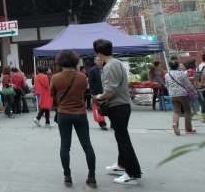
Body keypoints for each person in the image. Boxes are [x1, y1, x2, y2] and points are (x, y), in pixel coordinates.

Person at [94, 39, 141, 186]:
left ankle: (132, 173)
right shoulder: (116, 62)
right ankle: (122, 165)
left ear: (99, 53)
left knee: (123, 139)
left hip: (118, 106)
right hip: (122, 105)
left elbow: (110, 91)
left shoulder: (110, 66)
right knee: (121, 137)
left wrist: (98, 97)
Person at [51, 50, 97, 188]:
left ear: (60, 62)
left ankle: (67, 176)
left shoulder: (55, 78)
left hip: (63, 113)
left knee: (65, 146)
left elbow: (52, 94)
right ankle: (92, 177)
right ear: (75, 61)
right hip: (80, 113)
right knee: (87, 145)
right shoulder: (83, 77)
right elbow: (85, 91)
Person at [165, 60, 197, 135]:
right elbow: (188, 84)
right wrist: (193, 91)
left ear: (170, 66)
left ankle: (175, 124)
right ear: (177, 66)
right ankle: (188, 129)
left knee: (176, 111)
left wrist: (171, 91)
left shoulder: (167, 74)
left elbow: (166, 85)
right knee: (187, 111)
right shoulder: (181, 73)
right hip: (182, 94)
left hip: (173, 94)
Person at [88, 56, 108, 130]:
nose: (100, 61)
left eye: (101, 60)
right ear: (95, 61)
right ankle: (102, 124)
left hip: (107, 92)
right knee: (98, 108)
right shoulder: (92, 71)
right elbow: (91, 83)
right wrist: (92, 94)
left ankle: (114, 123)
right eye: (98, 60)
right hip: (97, 93)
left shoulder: (106, 69)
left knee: (111, 108)